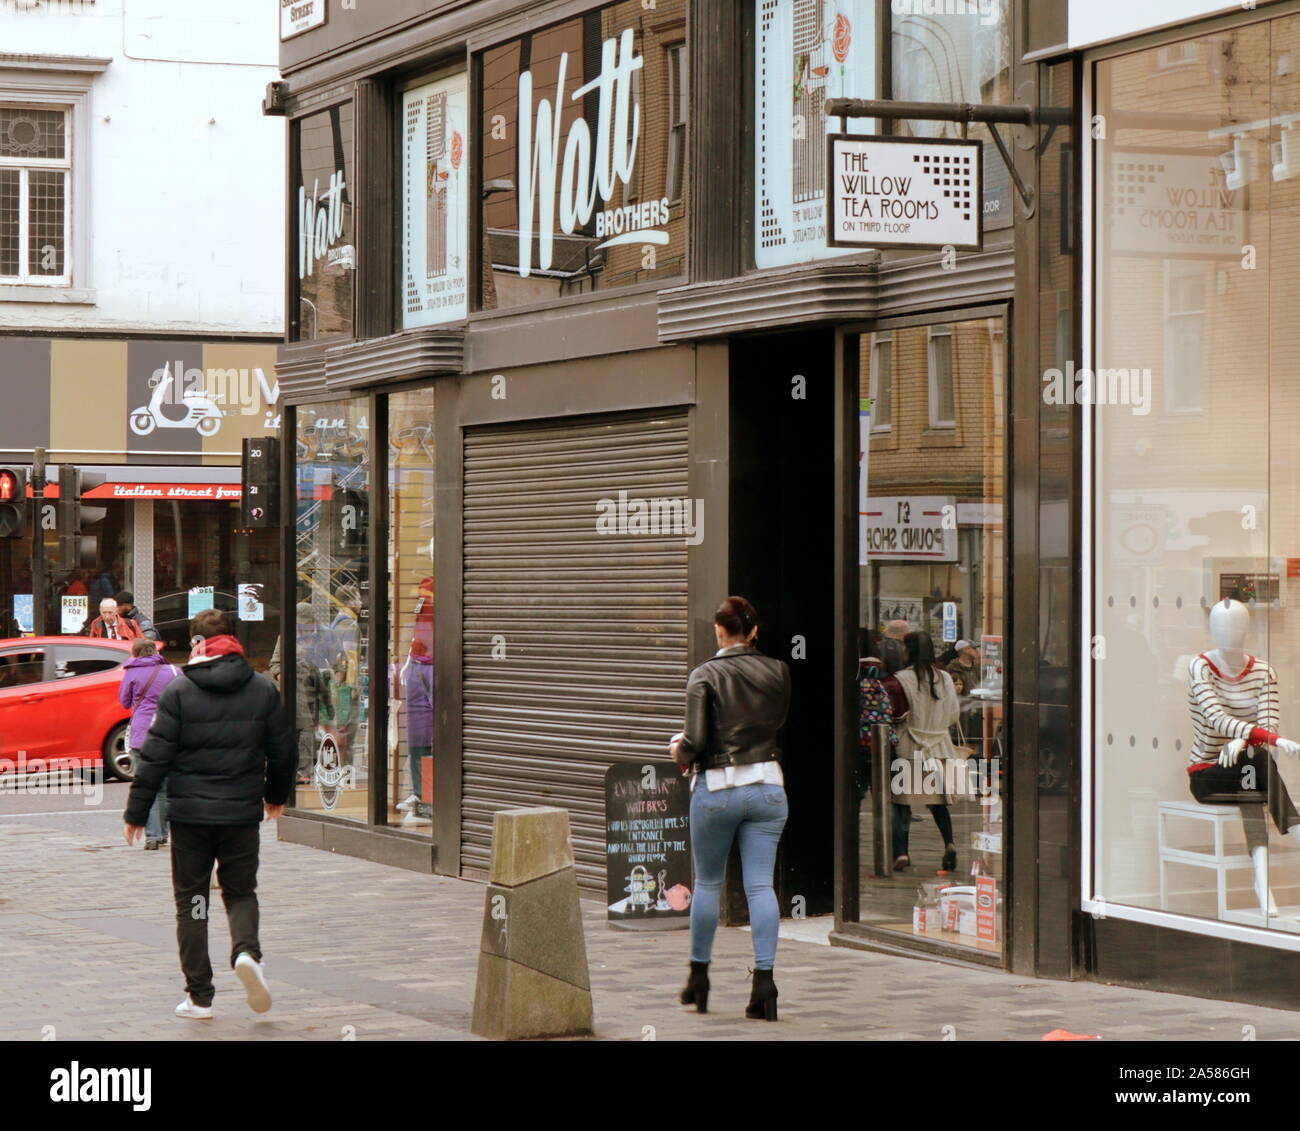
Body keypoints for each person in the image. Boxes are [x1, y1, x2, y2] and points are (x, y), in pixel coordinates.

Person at [123, 607, 295, 1020]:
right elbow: (283, 750)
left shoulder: (179, 693)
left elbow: (156, 758)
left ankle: (199, 996)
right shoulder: (261, 689)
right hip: (240, 816)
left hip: (191, 820)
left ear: (197, 643)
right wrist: (275, 795)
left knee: (194, 902)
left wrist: (136, 812)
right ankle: (247, 952)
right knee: (239, 891)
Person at [670, 596, 791, 1022]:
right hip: (768, 790)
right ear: (753, 631)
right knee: (761, 887)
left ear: (719, 631)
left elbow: (695, 742)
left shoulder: (704, 675)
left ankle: (699, 979)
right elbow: (773, 724)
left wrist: (677, 750)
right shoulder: (779, 670)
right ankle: (765, 983)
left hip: (718, 789)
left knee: (707, 883)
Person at [891, 631, 962, 874]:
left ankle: (901, 851)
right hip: (939, 746)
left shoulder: (902, 678)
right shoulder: (945, 678)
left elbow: (898, 715)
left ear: (908, 650)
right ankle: (949, 842)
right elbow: (953, 714)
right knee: (939, 802)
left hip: (909, 745)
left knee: (902, 803)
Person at [118, 637, 180, 849]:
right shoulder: (173, 672)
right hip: (170, 734)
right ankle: (163, 833)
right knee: (166, 787)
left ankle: (153, 836)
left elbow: (124, 701)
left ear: (134, 653)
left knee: (148, 785)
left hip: (142, 735)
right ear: (155, 652)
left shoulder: (132, 673)